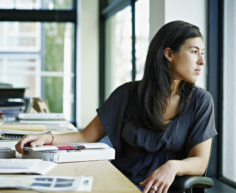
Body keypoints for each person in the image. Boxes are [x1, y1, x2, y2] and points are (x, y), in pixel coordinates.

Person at [15, 20, 217, 193]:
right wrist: (47, 138)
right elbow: (86, 136)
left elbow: (200, 162)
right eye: (194, 52)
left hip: (164, 188)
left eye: (202, 53)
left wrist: (173, 166)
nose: (201, 61)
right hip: (118, 182)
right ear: (169, 54)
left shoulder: (201, 101)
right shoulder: (127, 94)